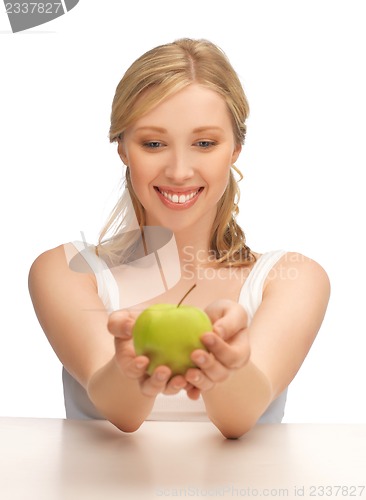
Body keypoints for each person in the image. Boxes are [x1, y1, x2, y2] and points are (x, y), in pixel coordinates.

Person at [28, 38, 330, 439]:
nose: (180, 171)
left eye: (205, 143)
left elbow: (239, 419)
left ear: (236, 148)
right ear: (121, 147)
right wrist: (128, 367)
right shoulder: (65, 271)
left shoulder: (294, 279)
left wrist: (226, 366)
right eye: (153, 143)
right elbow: (120, 412)